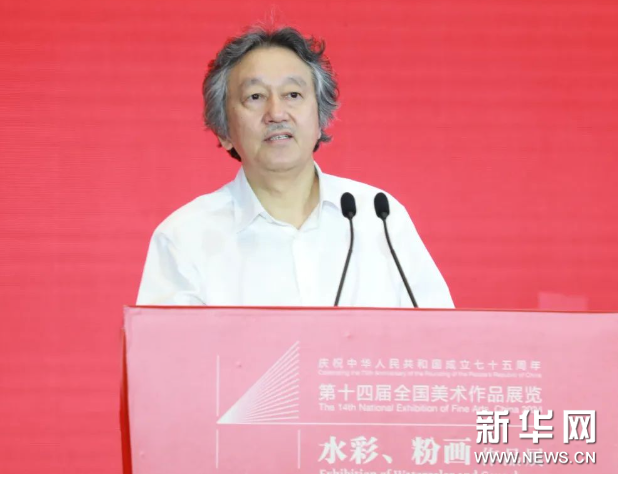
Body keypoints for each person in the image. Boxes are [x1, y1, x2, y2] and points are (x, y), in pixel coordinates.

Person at [136, 26, 454, 308]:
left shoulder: (378, 218)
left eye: (293, 94)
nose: (277, 113)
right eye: (255, 96)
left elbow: (440, 339)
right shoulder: (185, 237)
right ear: (224, 130)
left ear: (320, 117)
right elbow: (164, 355)